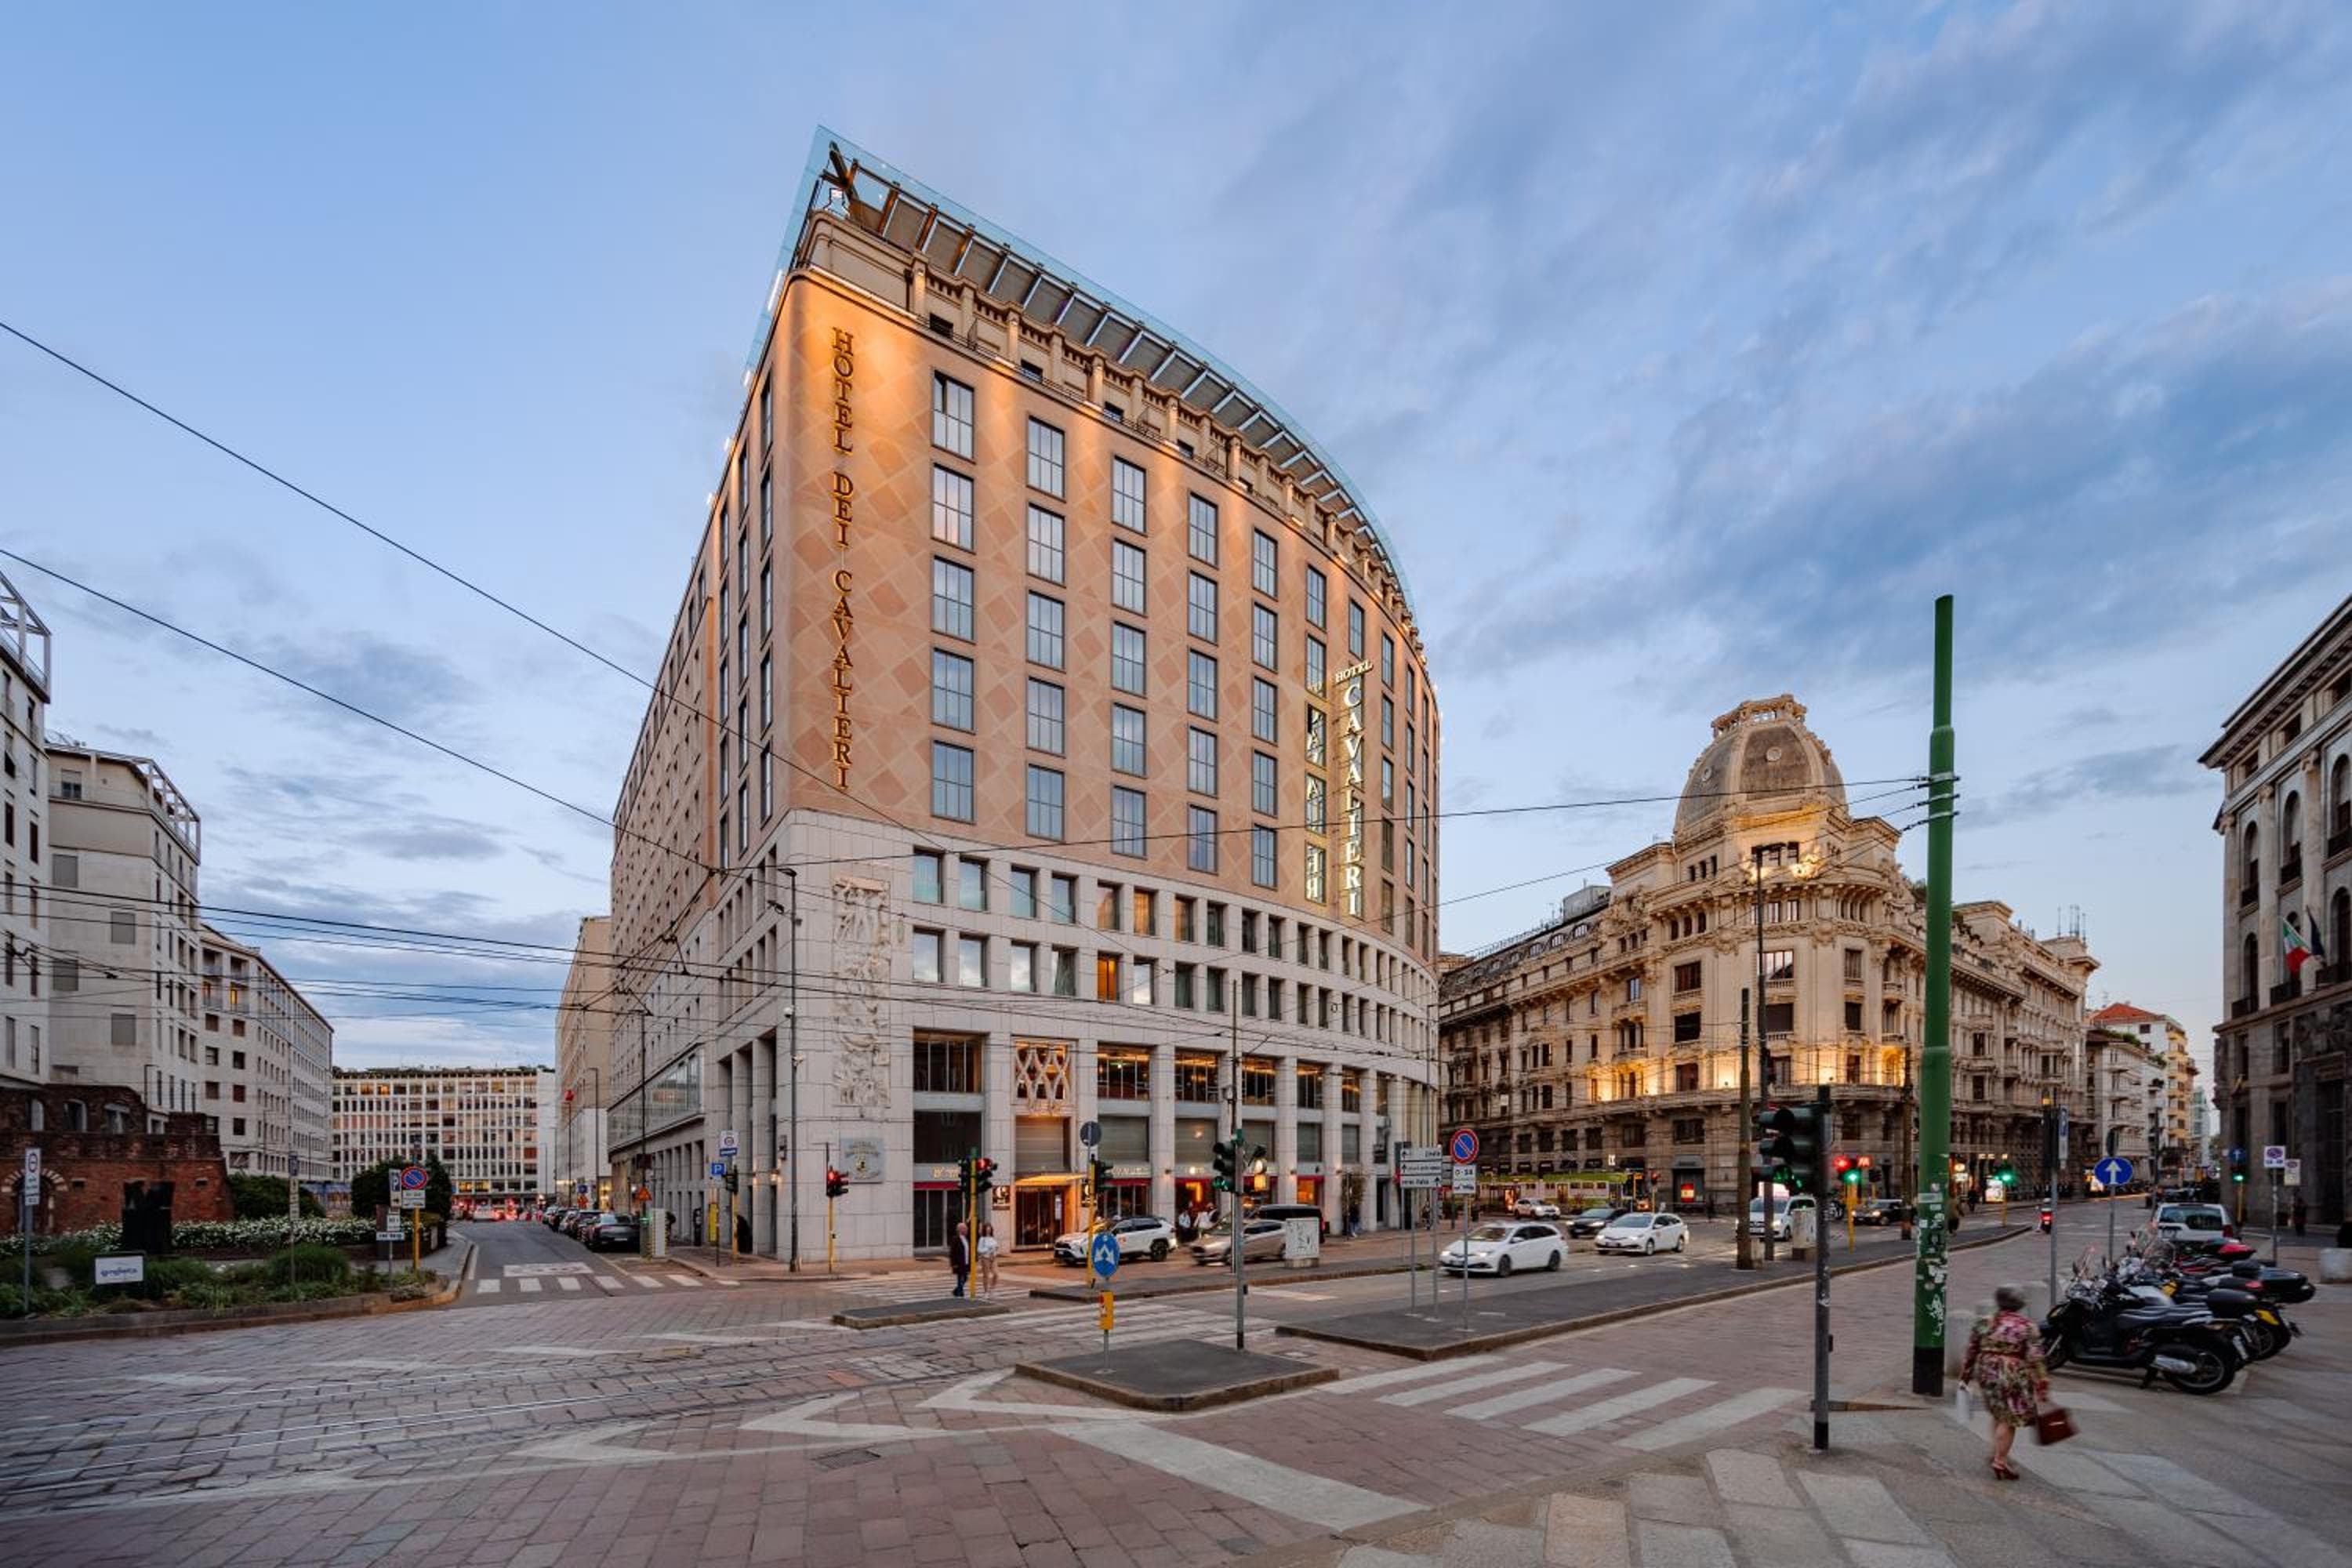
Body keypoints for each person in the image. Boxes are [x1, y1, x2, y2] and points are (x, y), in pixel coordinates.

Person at [1961, 1283, 2049, 1481]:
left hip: (1986, 1370)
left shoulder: (1984, 1322)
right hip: (2012, 1372)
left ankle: (1997, 1451)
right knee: (2009, 1419)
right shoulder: (2027, 1326)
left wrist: (1966, 1376)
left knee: (1998, 1412)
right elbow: (2036, 1357)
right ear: (2020, 1304)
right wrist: (2042, 1381)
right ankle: (2000, 1460)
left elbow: (1971, 1350)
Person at [949, 1221, 971, 1298]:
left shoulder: (966, 1239)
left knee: (965, 1278)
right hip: (959, 1263)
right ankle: (960, 1293)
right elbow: (952, 1252)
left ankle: (957, 1291)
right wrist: (953, 1264)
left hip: (966, 1262)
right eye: (965, 1229)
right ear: (960, 1230)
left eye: (966, 1228)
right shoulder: (955, 1239)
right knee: (960, 1278)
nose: (966, 1230)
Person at [977, 1221, 1000, 1297]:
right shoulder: (982, 1239)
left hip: (993, 1258)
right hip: (985, 1258)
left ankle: (992, 1290)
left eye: (989, 1228)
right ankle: (986, 1292)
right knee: (986, 1275)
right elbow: (979, 1250)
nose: (988, 1230)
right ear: (985, 1229)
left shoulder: (992, 1238)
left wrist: (995, 1253)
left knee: (996, 1274)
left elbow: (996, 1248)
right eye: (987, 1228)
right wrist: (988, 1249)